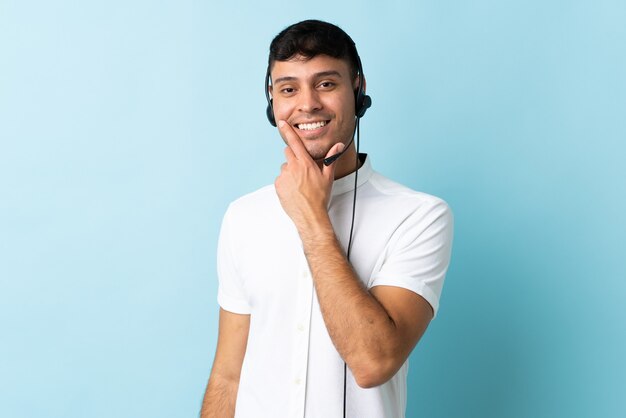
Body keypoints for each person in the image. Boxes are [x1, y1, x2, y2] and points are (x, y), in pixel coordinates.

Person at [201, 19, 453, 418]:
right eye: (288, 89)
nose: (307, 105)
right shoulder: (243, 216)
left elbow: (373, 363)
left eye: (326, 84)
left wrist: (311, 220)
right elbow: (228, 376)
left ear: (358, 89)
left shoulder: (419, 216)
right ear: (272, 103)